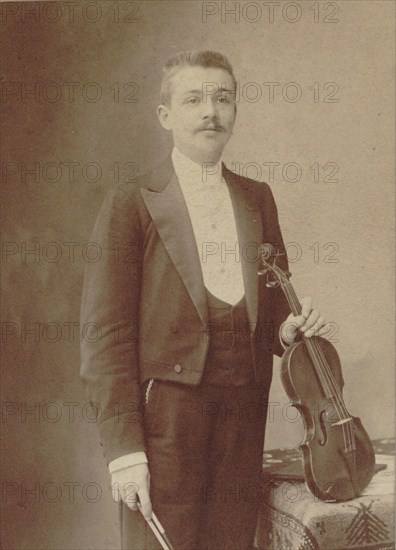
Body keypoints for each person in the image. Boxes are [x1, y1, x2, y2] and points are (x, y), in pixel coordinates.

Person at [80, 50, 330, 550]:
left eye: (222, 98)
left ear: (235, 111)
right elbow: (105, 334)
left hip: (243, 409)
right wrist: (125, 452)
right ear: (166, 115)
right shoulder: (132, 201)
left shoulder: (257, 196)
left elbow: (272, 304)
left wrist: (287, 329)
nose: (210, 111)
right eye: (193, 99)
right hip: (165, 420)